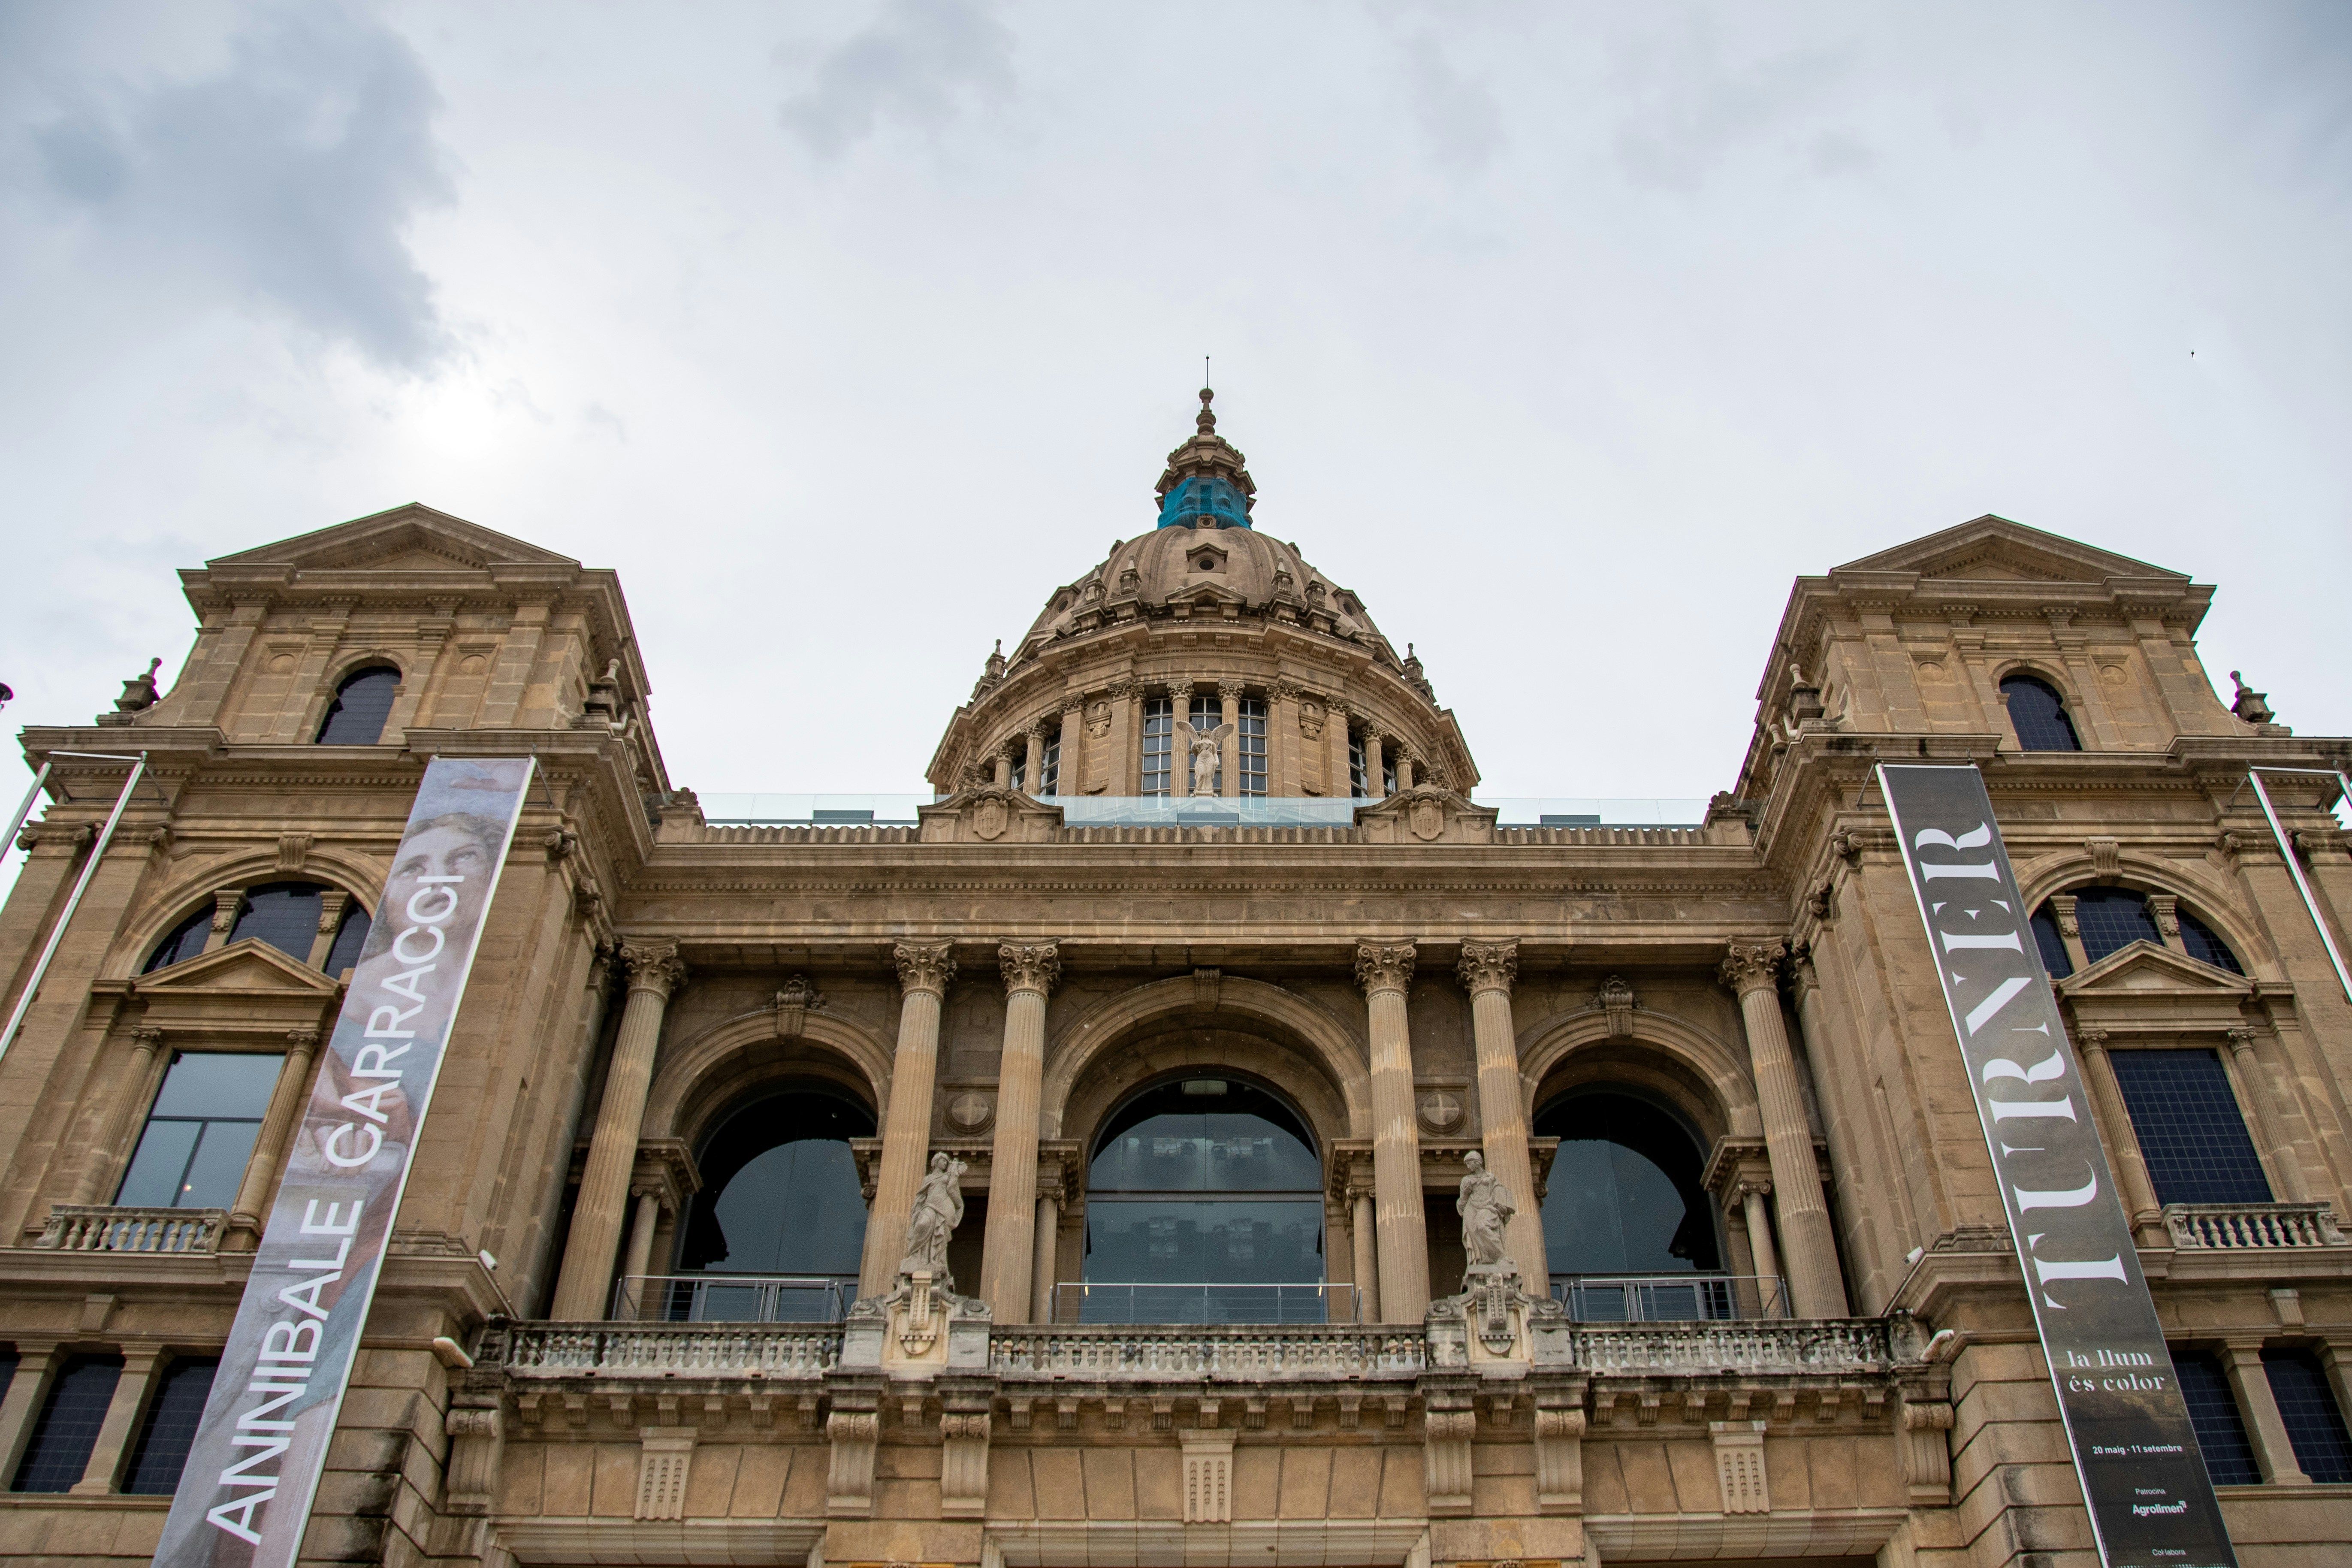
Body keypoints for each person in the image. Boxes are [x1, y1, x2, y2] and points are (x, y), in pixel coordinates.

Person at [900, 1152, 966, 1286]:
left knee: (940, 1235)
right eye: (943, 1161)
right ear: (935, 1162)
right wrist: (916, 1211)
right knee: (922, 1225)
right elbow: (921, 1196)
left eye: (947, 1162)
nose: (945, 1163)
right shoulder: (928, 1179)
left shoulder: (947, 1176)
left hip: (943, 1206)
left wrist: (954, 1175)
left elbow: (953, 1192)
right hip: (929, 1206)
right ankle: (915, 1256)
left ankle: (935, 1261)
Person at [1457, 1150, 1515, 1271]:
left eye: (1469, 1163)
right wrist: (1465, 1194)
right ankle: (1484, 1261)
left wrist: (1502, 1205)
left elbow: (1499, 1190)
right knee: (1477, 1230)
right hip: (1471, 1210)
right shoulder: (1466, 1181)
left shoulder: (1490, 1177)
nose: (1468, 1167)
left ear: (1477, 1162)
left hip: (1488, 1207)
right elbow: (1462, 1204)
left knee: (1482, 1225)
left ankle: (1501, 1257)